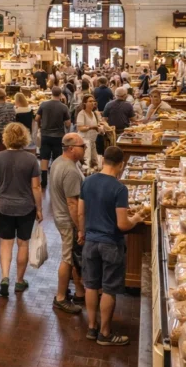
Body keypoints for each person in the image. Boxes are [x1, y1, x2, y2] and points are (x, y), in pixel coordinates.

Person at [80, 146, 144, 346]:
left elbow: (81, 212)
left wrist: (82, 232)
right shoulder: (119, 188)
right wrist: (137, 218)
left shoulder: (87, 181)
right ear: (121, 164)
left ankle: (92, 327)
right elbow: (122, 224)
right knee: (108, 289)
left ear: (103, 160)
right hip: (111, 244)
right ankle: (105, 333)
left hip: (90, 241)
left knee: (90, 285)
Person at [0, 123, 42, 298]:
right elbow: (36, 187)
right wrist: (39, 208)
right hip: (26, 207)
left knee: (6, 242)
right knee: (23, 243)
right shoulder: (31, 159)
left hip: (3, 206)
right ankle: (19, 280)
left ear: (6, 137)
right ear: (24, 137)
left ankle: (4, 277)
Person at [48, 133, 86, 315]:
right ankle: (61, 297)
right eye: (82, 146)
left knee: (72, 256)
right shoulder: (70, 170)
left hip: (60, 216)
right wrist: (80, 228)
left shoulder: (58, 162)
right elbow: (72, 203)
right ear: (71, 148)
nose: (84, 148)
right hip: (67, 220)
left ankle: (79, 292)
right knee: (68, 258)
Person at [36, 87, 72, 187]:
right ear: (60, 94)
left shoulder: (43, 104)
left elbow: (37, 118)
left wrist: (40, 126)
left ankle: (44, 181)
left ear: (51, 93)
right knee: (57, 158)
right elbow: (68, 123)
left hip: (45, 135)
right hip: (58, 136)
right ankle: (55, 181)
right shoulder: (63, 107)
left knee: (44, 157)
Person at [74, 95, 104, 171]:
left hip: (93, 141)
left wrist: (100, 128)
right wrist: (92, 127)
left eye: (93, 101)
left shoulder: (94, 113)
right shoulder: (82, 113)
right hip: (84, 141)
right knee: (87, 162)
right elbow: (80, 128)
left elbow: (98, 124)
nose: (92, 103)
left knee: (95, 161)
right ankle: (85, 179)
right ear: (84, 103)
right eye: (90, 101)